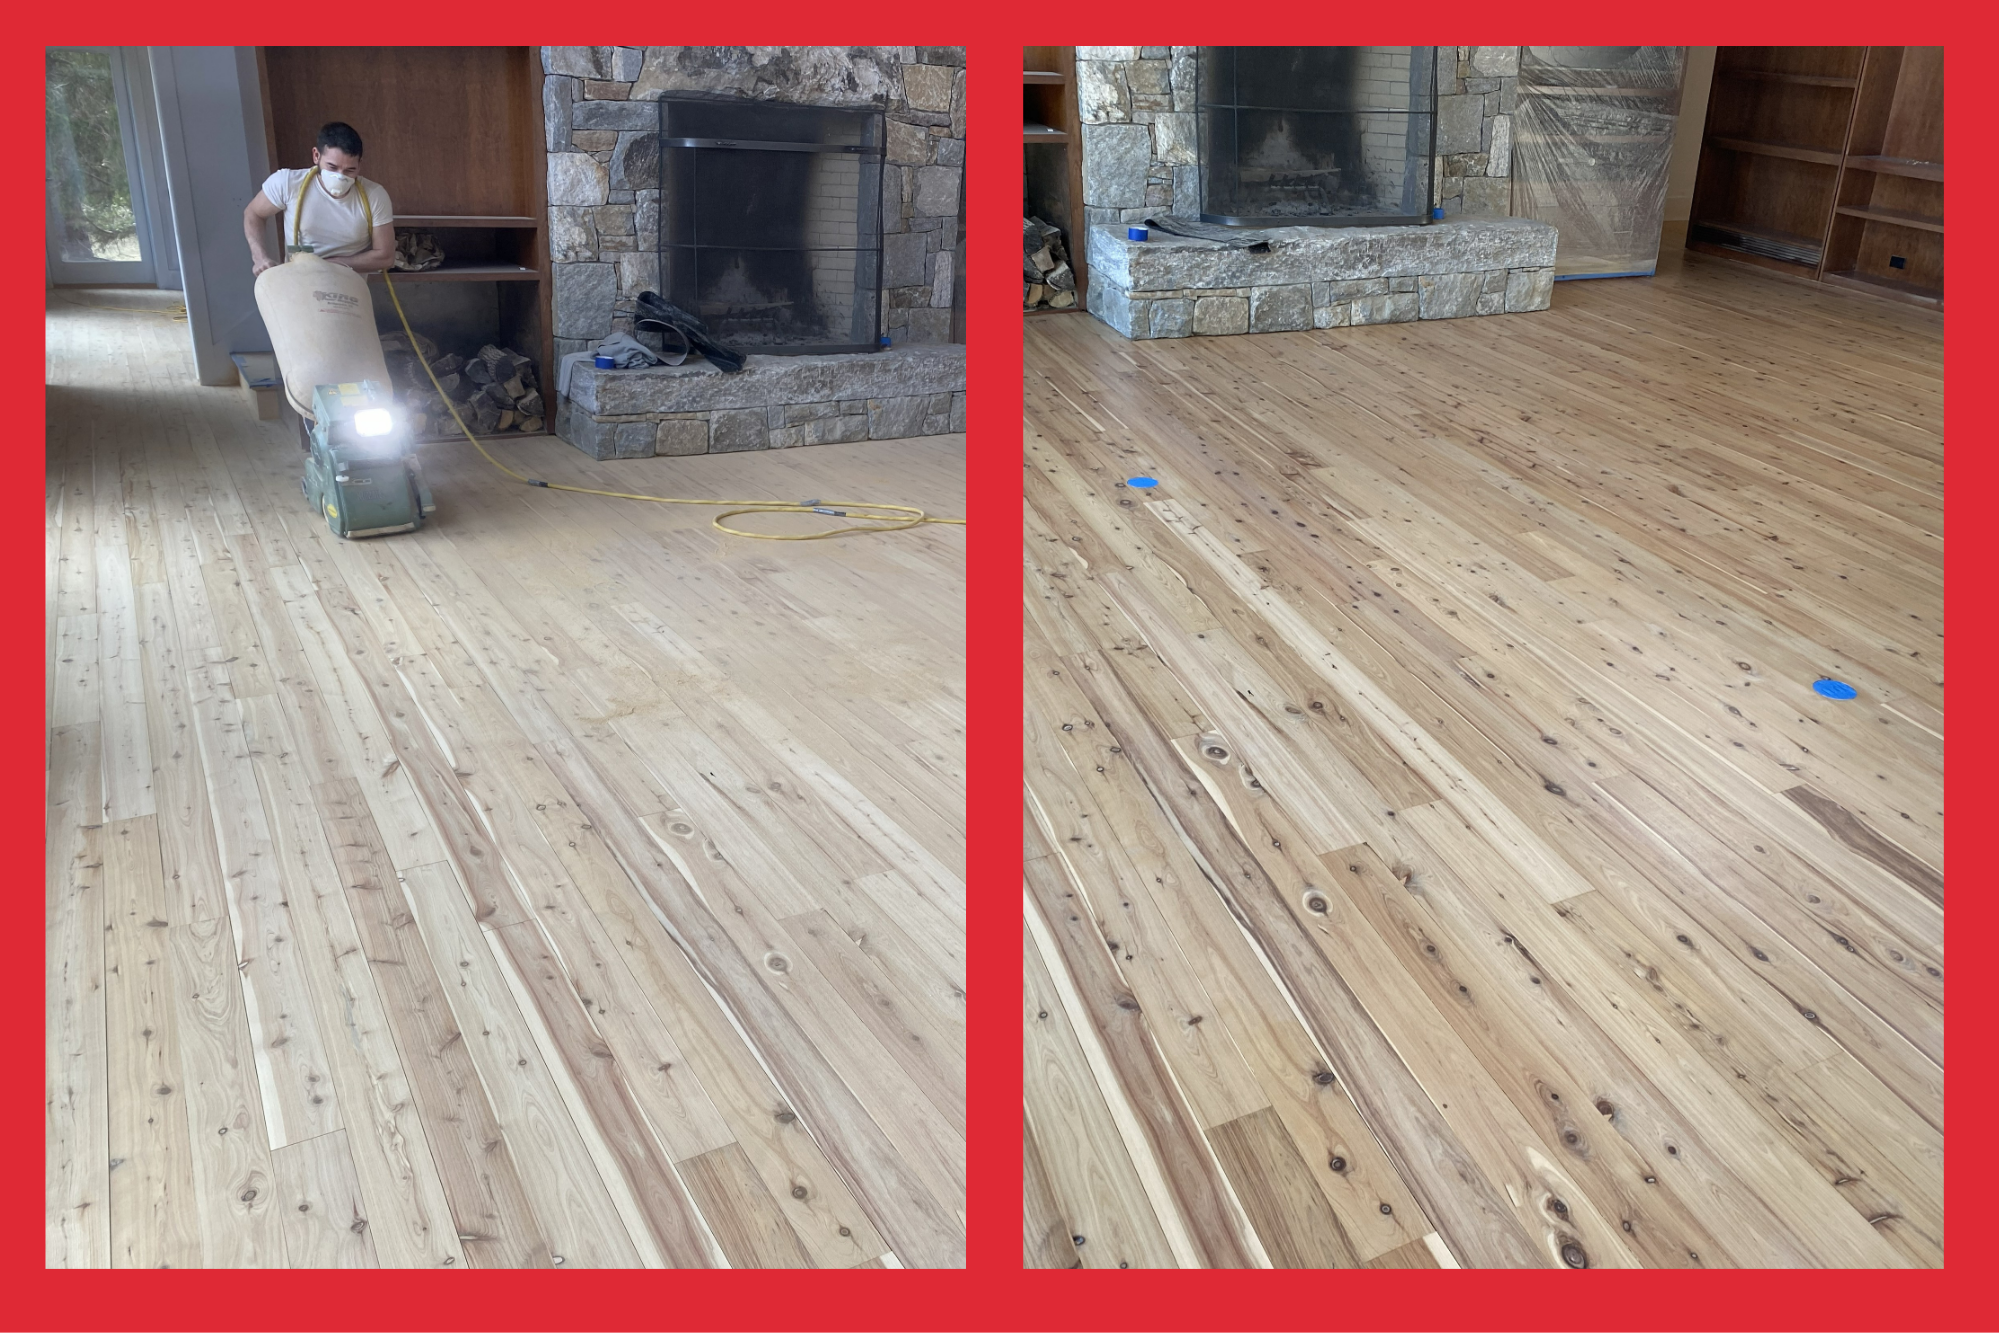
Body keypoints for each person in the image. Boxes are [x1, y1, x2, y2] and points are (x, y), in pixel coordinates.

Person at [244, 121, 394, 277]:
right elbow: (253, 213)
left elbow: (385, 257)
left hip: (349, 288)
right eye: (332, 167)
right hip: (299, 283)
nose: (340, 177)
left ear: (360, 165)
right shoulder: (287, 183)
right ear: (316, 156)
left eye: (350, 170)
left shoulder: (374, 196)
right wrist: (260, 258)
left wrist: (331, 264)